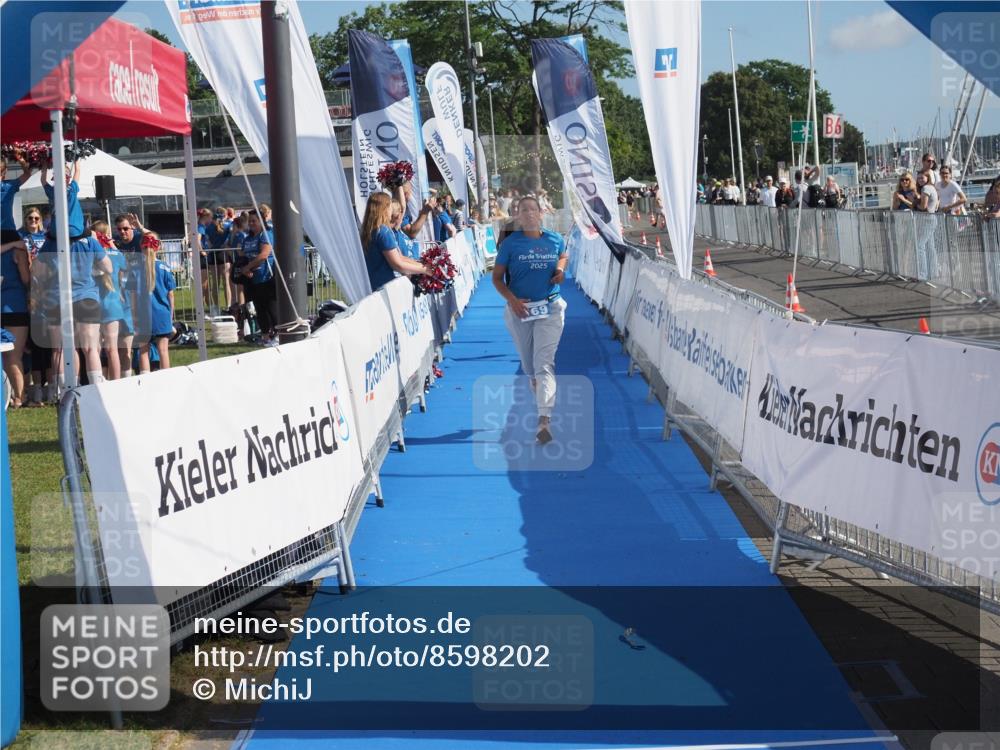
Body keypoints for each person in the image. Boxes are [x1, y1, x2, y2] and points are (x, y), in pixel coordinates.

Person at [491, 195, 568, 445]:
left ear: (541, 212)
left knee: (544, 363)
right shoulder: (510, 244)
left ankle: (544, 421)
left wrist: (560, 270)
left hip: (550, 308)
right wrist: (512, 300)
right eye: (524, 210)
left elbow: (563, 255)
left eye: (534, 209)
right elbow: (497, 279)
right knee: (530, 368)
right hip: (520, 311)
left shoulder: (554, 239)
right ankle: (539, 394)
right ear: (518, 216)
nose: (530, 214)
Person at [34, 225, 112, 393]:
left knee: (59, 349)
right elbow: (108, 268)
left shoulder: (51, 242)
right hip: (86, 296)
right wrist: (91, 271)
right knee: (90, 348)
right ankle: (95, 389)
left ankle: (63, 393)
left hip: (57, 298)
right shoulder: (90, 242)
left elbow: (37, 271)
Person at [359, 192, 428, 292]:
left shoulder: (369, 230)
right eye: (390, 206)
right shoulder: (383, 231)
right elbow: (397, 264)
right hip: (386, 289)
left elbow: (399, 257)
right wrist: (426, 270)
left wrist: (422, 265)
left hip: (374, 286)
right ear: (385, 208)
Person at [18, 209, 50, 404]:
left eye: (37, 218)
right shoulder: (21, 236)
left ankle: (50, 386)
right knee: (32, 342)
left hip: (46, 290)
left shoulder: (46, 237)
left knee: (48, 341)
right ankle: (34, 387)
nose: (33, 221)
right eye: (30, 218)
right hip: (28, 290)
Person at [134, 232, 175, 371]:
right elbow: (171, 295)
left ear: (141, 246)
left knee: (143, 352)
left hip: (142, 315)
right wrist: (171, 316)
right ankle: (166, 382)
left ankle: (145, 382)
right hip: (162, 314)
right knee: (163, 351)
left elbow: (132, 296)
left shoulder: (135, 268)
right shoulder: (165, 267)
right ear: (158, 247)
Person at [92, 220, 127, 380]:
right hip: (113, 304)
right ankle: (116, 382)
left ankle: (97, 381)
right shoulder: (117, 254)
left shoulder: (91, 254)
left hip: (94, 303)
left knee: (95, 348)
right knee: (112, 349)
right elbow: (122, 276)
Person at [1, 219, 31, 406]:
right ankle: (20, 397)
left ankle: (10, 395)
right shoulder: (18, 250)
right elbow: (26, 278)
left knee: (5, 356)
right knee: (14, 356)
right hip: (15, 305)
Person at [238, 209, 278, 344]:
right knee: (259, 309)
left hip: (267, 276)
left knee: (271, 307)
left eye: (254, 221)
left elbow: (264, 254)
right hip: (252, 279)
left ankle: (279, 335)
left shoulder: (265, 235)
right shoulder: (247, 238)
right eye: (250, 221)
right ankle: (265, 336)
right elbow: (242, 255)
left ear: (261, 221)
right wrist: (243, 269)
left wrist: (248, 267)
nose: (251, 223)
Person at [1, 150, 34, 244]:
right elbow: (27, 174)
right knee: (20, 256)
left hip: (8, 230)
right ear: (5, 172)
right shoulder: (9, 186)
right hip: (8, 230)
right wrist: (21, 159)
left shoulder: (9, 186)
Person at [204, 207, 232, 314]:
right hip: (223, 254)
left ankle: (216, 307)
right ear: (224, 215)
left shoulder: (208, 227)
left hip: (213, 254)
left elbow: (208, 242)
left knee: (215, 283)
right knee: (226, 283)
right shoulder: (228, 226)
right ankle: (228, 306)